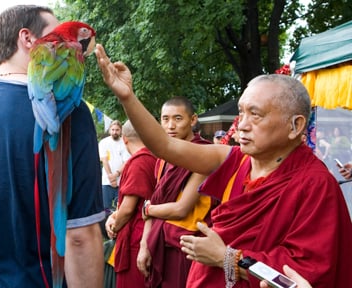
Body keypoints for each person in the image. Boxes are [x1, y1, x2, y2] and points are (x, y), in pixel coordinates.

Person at [95, 43, 352, 288]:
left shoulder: (315, 185)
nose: (242, 125)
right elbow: (165, 146)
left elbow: (298, 278)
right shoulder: (234, 159)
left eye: (256, 114)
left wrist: (228, 258)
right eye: (241, 113)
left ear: (295, 126)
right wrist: (127, 97)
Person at [0, 6, 104, 287]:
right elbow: (80, 236)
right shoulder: (70, 113)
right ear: (28, 39)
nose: (66, 44)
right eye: (57, 36)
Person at [136, 96, 212, 288]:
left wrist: (148, 210)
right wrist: (144, 246)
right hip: (161, 244)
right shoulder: (162, 159)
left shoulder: (204, 155)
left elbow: (181, 209)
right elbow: (154, 201)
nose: (171, 126)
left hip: (189, 247)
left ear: (192, 120)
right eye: (165, 119)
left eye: (178, 119)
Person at [105, 120, 157, 288]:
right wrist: (114, 215)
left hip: (137, 238)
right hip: (150, 233)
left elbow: (127, 209)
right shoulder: (155, 157)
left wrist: (114, 228)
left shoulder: (139, 162)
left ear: (125, 139)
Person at [99, 120, 131, 214]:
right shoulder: (103, 142)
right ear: (109, 130)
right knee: (105, 209)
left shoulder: (125, 143)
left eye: (117, 130)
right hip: (106, 181)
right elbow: (104, 160)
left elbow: (126, 162)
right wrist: (110, 177)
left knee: (120, 208)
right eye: (112, 130)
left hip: (121, 181)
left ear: (121, 130)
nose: (114, 132)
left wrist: (116, 175)